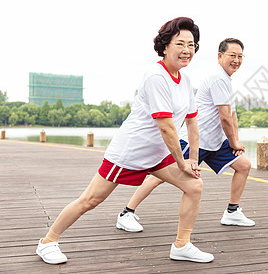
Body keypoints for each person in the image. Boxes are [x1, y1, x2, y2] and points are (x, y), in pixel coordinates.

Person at [36, 17, 214, 264]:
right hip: (131, 151)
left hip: (157, 153)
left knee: (194, 186)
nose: (187, 50)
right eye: (180, 43)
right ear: (165, 46)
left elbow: (192, 122)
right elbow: (166, 127)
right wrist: (182, 162)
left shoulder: (184, 80)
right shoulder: (156, 76)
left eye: (191, 45)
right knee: (91, 199)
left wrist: (193, 158)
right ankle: (48, 241)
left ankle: (182, 245)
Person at [116, 38, 255, 234]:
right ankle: (126, 213)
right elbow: (224, 118)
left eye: (240, 56)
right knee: (159, 176)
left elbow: (232, 115)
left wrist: (235, 141)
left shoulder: (227, 80)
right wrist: (234, 141)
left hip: (214, 142)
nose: (236, 60)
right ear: (220, 56)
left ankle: (232, 211)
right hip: (194, 141)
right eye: (232, 55)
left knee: (243, 165)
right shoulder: (218, 78)